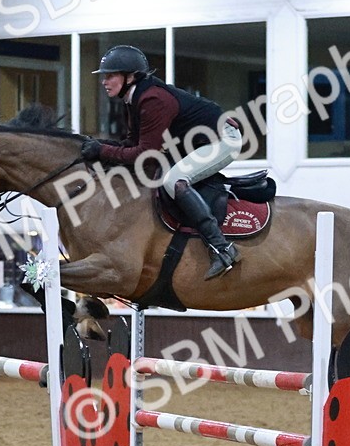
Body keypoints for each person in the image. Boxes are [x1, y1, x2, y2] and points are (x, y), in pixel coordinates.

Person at [80, 45, 242, 280]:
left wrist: (102, 150)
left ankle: (222, 248)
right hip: (194, 142)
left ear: (130, 77)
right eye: (104, 76)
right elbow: (131, 143)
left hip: (222, 140)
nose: (104, 81)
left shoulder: (152, 98)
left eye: (110, 75)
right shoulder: (132, 98)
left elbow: (144, 153)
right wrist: (101, 149)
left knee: (174, 181)